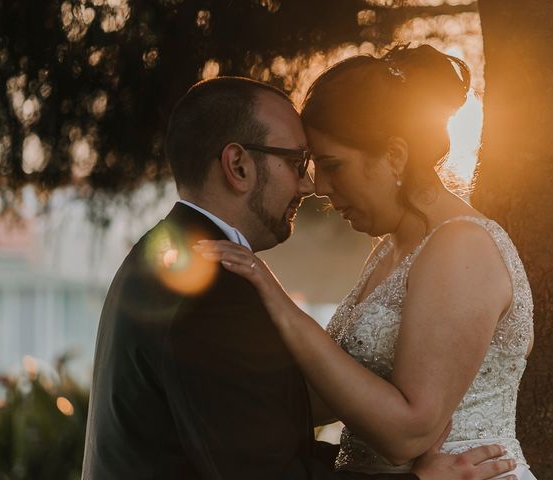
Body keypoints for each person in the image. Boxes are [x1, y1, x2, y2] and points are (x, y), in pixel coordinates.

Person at [81, 75, 518, 480]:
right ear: (238, 165)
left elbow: (260, 429)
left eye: (325, 164)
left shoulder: (170, 254)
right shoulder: (213, 286)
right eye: (297, 163)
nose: (311, 187)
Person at [196, 45, 536, 479]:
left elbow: (406, 435)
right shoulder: (391, 251)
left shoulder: (462, 248)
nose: (319, 187)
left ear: (394, 156)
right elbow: (327, 397)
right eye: (314, 166)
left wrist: (279, 303)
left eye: (334, 165)